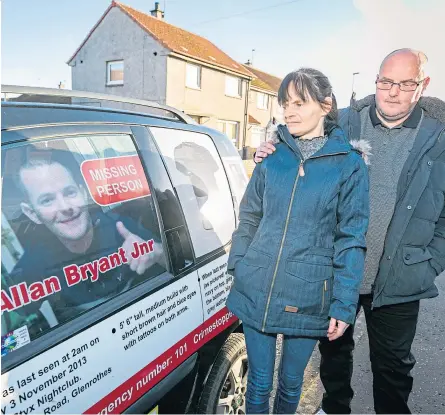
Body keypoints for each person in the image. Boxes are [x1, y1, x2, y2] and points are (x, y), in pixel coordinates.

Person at [254, 49, 445, 414]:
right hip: (337, 270)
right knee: (334, 354)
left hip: (400, 277)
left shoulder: (439, 140)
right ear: (376, 80)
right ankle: (335, 407)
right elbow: (300, 137)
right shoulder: (344, 122)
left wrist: (429, 262)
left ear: (423, 85)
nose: (393, 92)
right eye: (386, 81)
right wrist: (273, 147)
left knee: (393, 367)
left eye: (406, 84)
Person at [226, 67, 370, 414]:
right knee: (258, 384)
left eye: (299, 103)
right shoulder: (271, 158)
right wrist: (240, 264)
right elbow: (249, 217)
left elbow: (351, 237)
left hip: (309, 294)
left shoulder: (349, 165)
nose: (288, 111)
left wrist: (343, 304)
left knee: (291, 385)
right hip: (256, 285)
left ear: (325, 105)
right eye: (284, 103)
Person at [7, 146, 164, 326]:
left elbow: (174, 258)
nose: (65, 207)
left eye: (70, 192)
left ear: (83, 193)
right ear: (32, 214)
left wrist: (155, 252)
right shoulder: (34, 263)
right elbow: (11, 320)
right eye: (47, 200)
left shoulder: (119, 226)